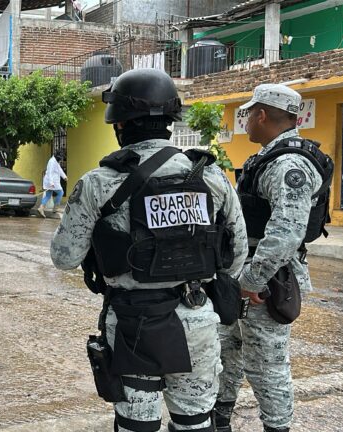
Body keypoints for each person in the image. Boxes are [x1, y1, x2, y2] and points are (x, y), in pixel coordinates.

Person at [50, 68, 248, 432]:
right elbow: (236, 255)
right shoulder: (211, 175)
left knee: (136, 425)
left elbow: (64, 258)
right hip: (198, 319)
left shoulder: (99, 182)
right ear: (171, 121)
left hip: (133, 325)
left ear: (119, 125)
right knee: (195, 422)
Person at [214, 84, 333, 432]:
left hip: (269, 281)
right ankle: (220, 418)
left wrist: (251, 281)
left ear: (261, 115)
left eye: (249, 114)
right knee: (229, 349)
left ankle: (277, 427)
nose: (246, 121)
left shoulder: (288, 165)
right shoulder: (269, 156)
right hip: (247, 274)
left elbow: (287, 233)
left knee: (267, 365)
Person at [38, 152, 67, 217]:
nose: (61, 160)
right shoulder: (51, 161)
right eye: (60, 158)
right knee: (61, 192)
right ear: (57, 157)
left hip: (51, 182)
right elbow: (50, 173)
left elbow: (60, 170)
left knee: (48, 195)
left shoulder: (56, 161)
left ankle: (41, 208)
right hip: (52, 182)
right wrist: (51, 183)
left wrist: (64, 176)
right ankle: (55, 208)